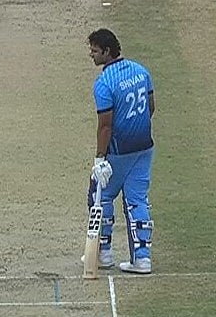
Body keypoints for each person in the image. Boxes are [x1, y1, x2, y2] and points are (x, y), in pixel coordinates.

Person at [86, 28, 156, 274]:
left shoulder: (104, 83)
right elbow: (150, 107)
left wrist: (100, 158)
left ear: (107, 51)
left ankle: (103, 253)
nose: (92, 55)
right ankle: (142, 258)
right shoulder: (141, 71)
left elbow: (105, 126)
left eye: (95, 51)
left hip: (118, 151)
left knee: (100, 195)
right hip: (144, 146)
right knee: (137, 200)